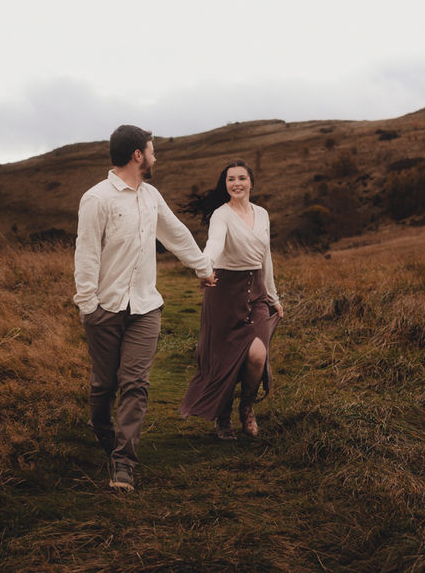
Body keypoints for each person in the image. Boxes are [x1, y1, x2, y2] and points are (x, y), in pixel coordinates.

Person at [74, 125, 216, 492]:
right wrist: (88, 305)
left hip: (145, 307)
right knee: (104, 384)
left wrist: (202, 267)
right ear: (137, 155)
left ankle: (123, 463)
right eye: (152, 151)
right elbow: (86, 254)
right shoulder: (97, 199)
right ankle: (102, 430)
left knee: (135, 383)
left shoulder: (151, 196)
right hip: (105, 307)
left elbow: (175, 233)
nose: (155, 157)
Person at [179, 160, 283, 439]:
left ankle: (246, 408)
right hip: (223, 291)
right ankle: (222, 415)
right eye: (230, 179)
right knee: (224, 358)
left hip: (256, 291)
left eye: (241, 178)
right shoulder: (220, 215)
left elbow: (266, 257)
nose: (236, 183)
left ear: (251, 182)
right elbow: (214, 244)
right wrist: (205, 268)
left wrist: (273, 297)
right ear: (225, 185)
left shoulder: (262, 214)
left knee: (258, 354)